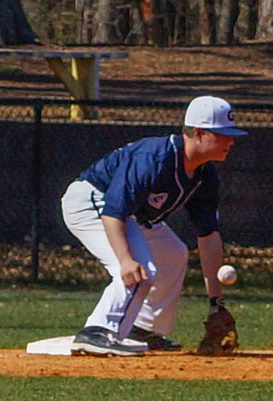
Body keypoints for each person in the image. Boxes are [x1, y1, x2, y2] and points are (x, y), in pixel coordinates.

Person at [62, 96, 245, 356]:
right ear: (199, 133)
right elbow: (113, 211)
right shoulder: (155, 158)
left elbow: (208, 236)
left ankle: (142, 328)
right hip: (92, 200)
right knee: (139, 269)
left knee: (174, 254)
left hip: (131, 214)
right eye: (223, 134)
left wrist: (217, 303)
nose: (231, 141)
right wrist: (125, 260)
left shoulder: (205, 174)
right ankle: (96, 331)